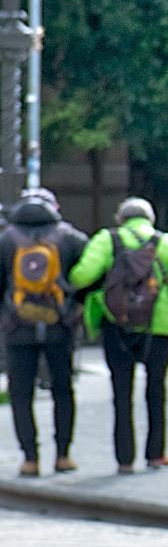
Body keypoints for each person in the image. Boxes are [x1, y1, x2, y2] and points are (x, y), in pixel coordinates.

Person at [69, 196, 168, 475]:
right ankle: (156, 454)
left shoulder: (106, 239)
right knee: (156, 390)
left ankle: (124, 458)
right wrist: (166, 305)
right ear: (151, 219)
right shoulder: (166, 242)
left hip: (117, 323)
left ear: (120, 219)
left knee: (121, 393)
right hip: (158, 327)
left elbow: (81, 277)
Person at [4, 186, 88, 477]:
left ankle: (30, 458)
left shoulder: (5, 241)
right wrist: (77, 306)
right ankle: (63, 455)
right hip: (60, 328)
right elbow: (91, 275)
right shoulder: (72, 239)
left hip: (17, 328)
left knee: (20, 394)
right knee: (63, 390)